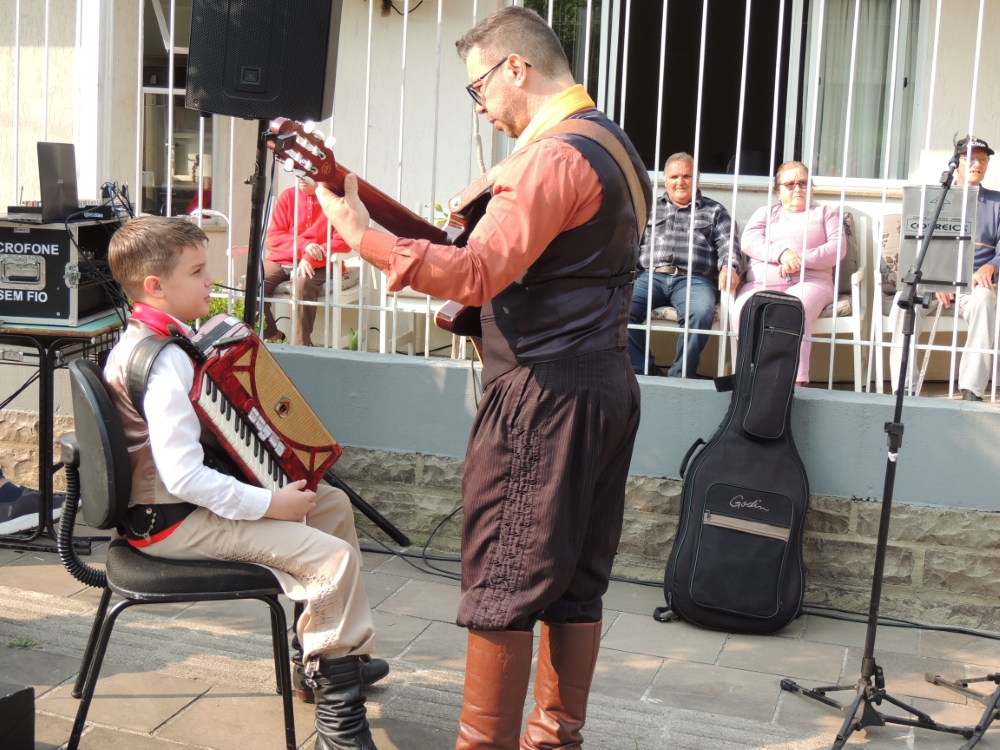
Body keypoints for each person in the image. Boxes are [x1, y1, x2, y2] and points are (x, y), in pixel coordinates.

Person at [317, 8, 650, 749]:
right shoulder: (615, 145)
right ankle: (553, 740)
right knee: (576, 580)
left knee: (504, 577)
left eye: (479, 89)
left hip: (542, 396)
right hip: (604, 384)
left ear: (516, 69)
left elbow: (475, 272)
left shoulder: (550, 159)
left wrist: (362, 237)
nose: (481, 108)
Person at [104, 217, 380, 750]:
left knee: (329, 504)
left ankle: (325, 657)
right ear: (155, 286)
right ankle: (340, 726)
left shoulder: (153, 339)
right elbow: (183, 476)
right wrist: (270, 503)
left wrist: (275, 497)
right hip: (172, 522)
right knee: (332, 560)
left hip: (177, 508)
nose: (210, 281)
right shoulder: (164, 364)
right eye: (197, 272)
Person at [889, 136, 1000, 400]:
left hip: (974, 284)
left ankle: (972, 388)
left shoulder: (997, 202)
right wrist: (935, 279)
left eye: (982, 159)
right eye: (970, 158)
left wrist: (991, 266)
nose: (977, 164)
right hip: (933, 282)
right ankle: (905, 387)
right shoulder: (934, 198)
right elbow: (917, 245)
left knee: (985, 301)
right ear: (956, 162)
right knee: (903, 303)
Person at [732, 161, 846, 385]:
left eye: (803, 183)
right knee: (744, 308)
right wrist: (782, 254)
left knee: (793, 307)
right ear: (778, 190)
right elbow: (749, 241)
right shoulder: (766, 213)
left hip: (811, 282)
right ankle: (751, 375)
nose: (797, 188)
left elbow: (837, 248)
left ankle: (794, 381)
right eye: (790, 184)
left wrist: (799, 260)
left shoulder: (825, 214)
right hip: (761, 283)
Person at [628, 152, 741, 377]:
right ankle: (644, 371)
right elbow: (628, 242)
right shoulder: (648, 208)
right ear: (665, 179)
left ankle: (680, 377)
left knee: (700, 313)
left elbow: (728, 244)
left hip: (695, 280)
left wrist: (729, 266)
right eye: (674, 176)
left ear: (696, 178)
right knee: (621, 308)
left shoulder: (715, 211)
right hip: (650, 276)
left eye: (687, 176)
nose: (680, 182)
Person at [263, 178, 352, 346]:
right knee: (253, 282)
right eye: (298, 172)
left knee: (301, 283)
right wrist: (305, 246)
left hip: (321, 263)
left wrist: (309, 257)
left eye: (307, 172)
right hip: (283, 258)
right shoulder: (288, 196)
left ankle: (300, 347)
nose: (301, 177)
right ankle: (272, 335)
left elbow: (343, 241)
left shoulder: (335, 200)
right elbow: (274, 236)